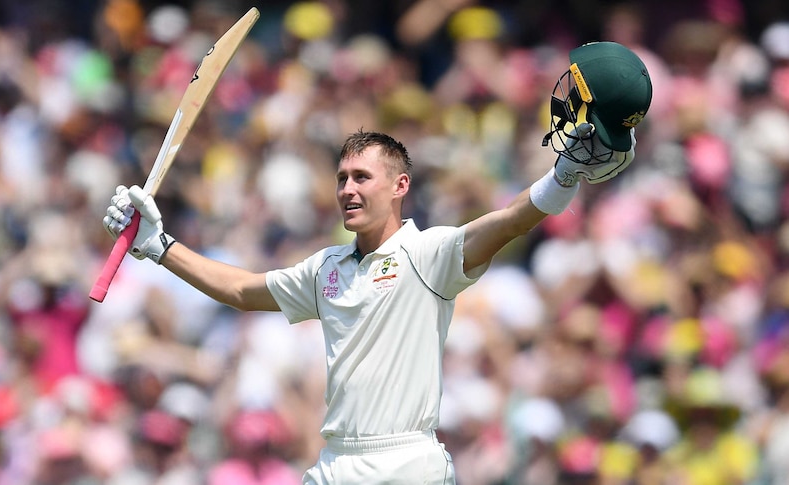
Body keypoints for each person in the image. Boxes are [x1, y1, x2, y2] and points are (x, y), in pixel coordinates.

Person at [102, 41, 652, 484]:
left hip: (406, 463)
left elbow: (509, 221)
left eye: (362, 177)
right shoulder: (325, 268)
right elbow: (241, 290)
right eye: (341, 178)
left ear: (400, 186)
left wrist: (562, 177)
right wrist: (161, 246)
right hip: (336, 461)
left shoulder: (429, 254)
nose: (347, 189)